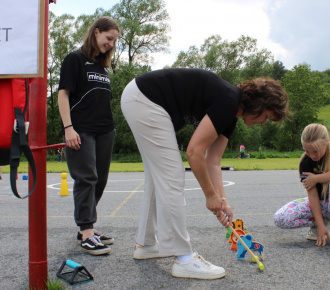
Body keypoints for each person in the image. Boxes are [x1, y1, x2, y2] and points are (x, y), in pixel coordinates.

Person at [121, 68, 289, 279]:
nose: (263, 122)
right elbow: (194, 152)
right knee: (172, 177)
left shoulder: (231, 114)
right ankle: (183, 259)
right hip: (144, 99)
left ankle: (145, 244)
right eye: (266, 116)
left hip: (139, 97)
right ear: (259, 104)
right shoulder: (228, 101)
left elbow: (213, 160)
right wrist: (210, 195)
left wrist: (222, 200)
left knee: (157, 179)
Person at [57, 16, 120, 256]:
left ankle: (87, 227)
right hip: (81, 129)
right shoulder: (75, 59)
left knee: (100, 180)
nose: (111, 44)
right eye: (108, 38)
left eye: (114, 40)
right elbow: (63, 95)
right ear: (96, 32)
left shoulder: (101, 66)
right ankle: (86, 233)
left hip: (105, 129)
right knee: (86, 178)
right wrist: (68, 128)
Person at [274, 123, 330, 254]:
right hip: (323, 205)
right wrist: (320, 225)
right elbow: (313, 195)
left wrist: (315, 178)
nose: (312, 155)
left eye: (316, 151)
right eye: (307, 151)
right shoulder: (305, 162)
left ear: (326, 142)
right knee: (281, 218)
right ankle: (321, 223)